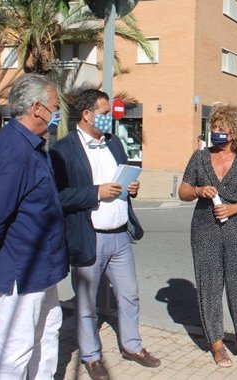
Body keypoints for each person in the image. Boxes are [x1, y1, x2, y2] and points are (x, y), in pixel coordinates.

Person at [49, 89, 160, 380]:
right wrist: (95, 193)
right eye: (104, 113)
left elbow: (124, 176)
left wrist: (132, 187)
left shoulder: (114, 144)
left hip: (120, 236)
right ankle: (91, 357)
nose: (109, 118)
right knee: (86, 303)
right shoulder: (63, 150)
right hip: (89, 236)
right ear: (86, 115)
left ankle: (132, 346)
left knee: (130, 295)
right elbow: (57, 197)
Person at [0, 73, 68, 379]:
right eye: (54, 106)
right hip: (21, 267)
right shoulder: (11, 149)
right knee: (16, 347)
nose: (56, 112)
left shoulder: (34, 146)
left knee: (48, 332)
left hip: (43, 265)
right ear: (37, 108)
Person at [178, 104, 237, 367]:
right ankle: (216, 344)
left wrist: (235, 207)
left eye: (221, 128)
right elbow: (182, 192)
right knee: (209, 287)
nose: (216, 132)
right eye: (213, 127)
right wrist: (198, 191)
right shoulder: (200, 158)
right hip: (204, 229)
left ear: (235, 132)